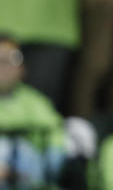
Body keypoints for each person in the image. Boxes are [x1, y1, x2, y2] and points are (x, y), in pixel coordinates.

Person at [0, 35, 67, 188]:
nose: (3, 66)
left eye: (11, 59)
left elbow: (56, 134)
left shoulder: (36, 102)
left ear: (22, 67)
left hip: (29, 176)